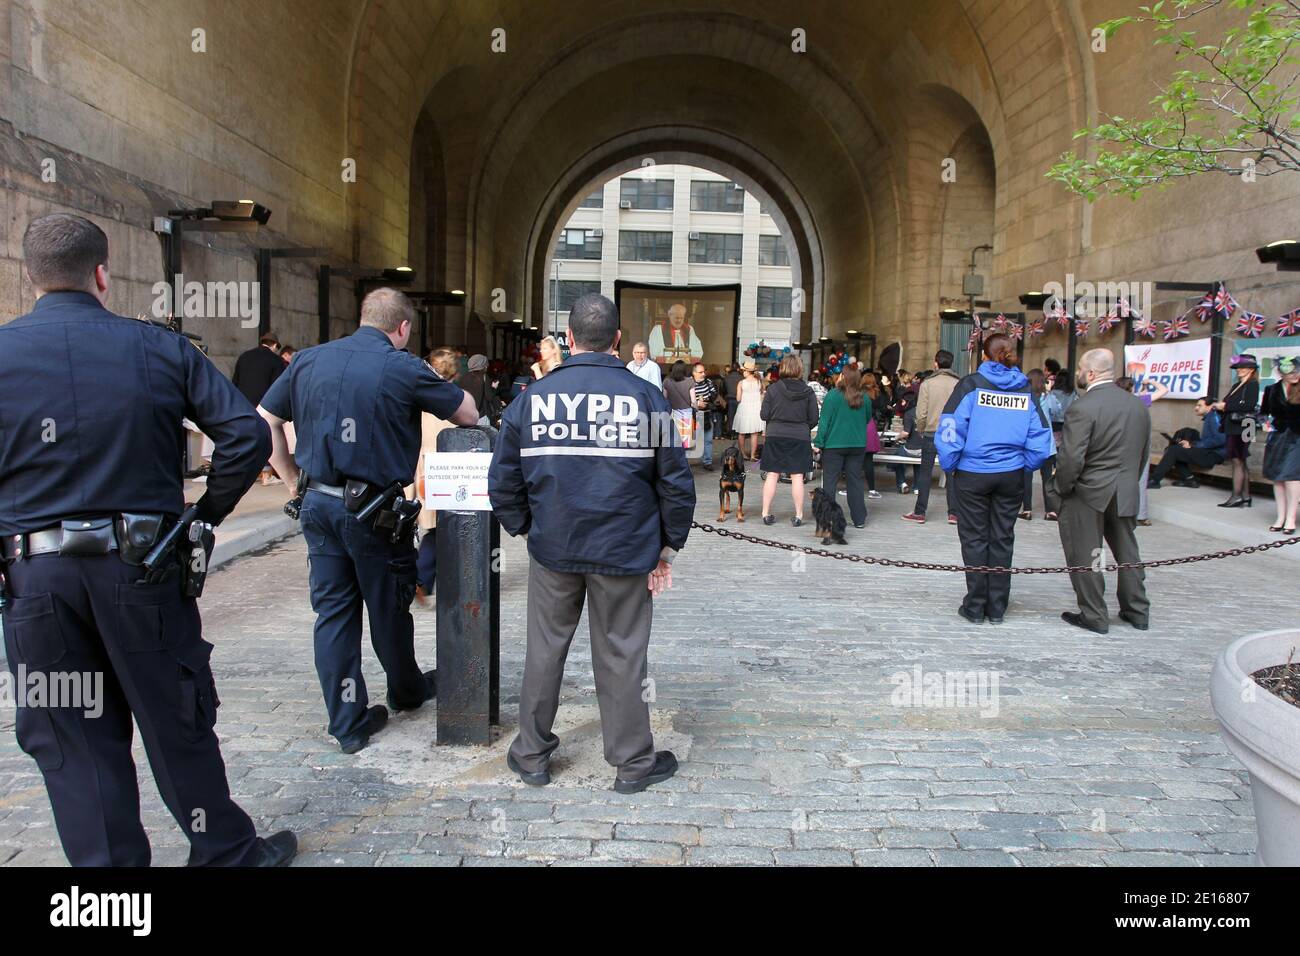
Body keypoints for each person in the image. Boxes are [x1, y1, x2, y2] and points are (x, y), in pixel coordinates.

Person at [0, 213, 295, 866]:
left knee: (73, 741)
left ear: (30, 277)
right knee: (174, 719)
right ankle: (223, 851)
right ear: (102, 275)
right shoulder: (159, 348)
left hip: (36, 581)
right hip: (142, 571)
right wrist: (205, 517)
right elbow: (245, 435)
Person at [258, 288, 478, 754]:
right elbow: (468, 412)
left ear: (362, 317)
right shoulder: (403, 366)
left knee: (334, 613)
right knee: (389, 607)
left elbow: (266, 420)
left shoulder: (308, 360)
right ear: (403, 328)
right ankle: (406, 690)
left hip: (317, 503)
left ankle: (348, 723)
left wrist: (292, 480)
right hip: (374, 512)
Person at [490, 293, 694, 793]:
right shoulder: (645, 398)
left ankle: (532, 755)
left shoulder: (531, 399)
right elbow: (675, 483)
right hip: (625, 549)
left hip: (555, 548)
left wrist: (527, 530)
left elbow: (503, 482)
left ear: (568, 339)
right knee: (623, 653)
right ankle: (631, 764)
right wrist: (666, 547)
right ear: (619, 341)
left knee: (545, 649)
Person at [935, 333, 1053, 625]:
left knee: (974, 539)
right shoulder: (1025, 389)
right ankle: (997, 608)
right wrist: (1025, 464)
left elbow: (950, 426)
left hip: (973, 473)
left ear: (984, 356)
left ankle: (975, 607)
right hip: (1011, 474)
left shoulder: (971, 385)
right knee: (1002, 538)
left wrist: (952, 465)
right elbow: (1041, 435)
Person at [1055, 349, 1152, 635]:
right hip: (1125, 488)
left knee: (1087, 553)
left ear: (1091, 374)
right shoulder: (1137, 406)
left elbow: (1072, 458)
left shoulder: (1082, 407)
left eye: (1081, 370)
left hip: (1089, 491)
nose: (1078, 375)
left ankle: (1094, 614)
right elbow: (1143, 453)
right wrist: (1129, 482)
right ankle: (1137, 610)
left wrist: (1061, 488)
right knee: (1127, 551)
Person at [411, 348, 461, 605]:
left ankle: (424, 577)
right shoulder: (454, 398)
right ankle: (421, 577)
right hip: (449, 467)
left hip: (421, 466)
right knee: (444, 528)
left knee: (432, 527)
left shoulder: (420, 397)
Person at [759, 354, 821, 526]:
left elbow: (764, 415)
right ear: (800, 369)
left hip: (775, 434)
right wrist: (802, 427)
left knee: (772, 474)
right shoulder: (808, 391)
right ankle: (799, 515)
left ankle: (765, 513)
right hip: (799, 436)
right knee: (797, 476)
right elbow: (814, 418)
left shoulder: (773, 389)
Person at [903, 350, 960, 525]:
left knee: (925, 472)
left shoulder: (928, 383)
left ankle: (920, 512)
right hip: (951, 433)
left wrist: (920, 428)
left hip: (930, 432)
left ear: (936, 363)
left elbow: (921, 413)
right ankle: (954, 513)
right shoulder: (958, 383)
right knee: (951, 473)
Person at [814, 366, 871, 529]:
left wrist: (818, 442)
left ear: (843, 377)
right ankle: (859, 518)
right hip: (857, 445)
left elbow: (824, 422)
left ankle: (828, 519)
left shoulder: (833, 396)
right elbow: (867, 419)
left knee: (830, 483)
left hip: (834, 445)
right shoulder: (864, 397)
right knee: (855, 481)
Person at [1116, 375, 1169, 526]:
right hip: (1138, 444)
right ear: (1131, 387)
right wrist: (1150, 382)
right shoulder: (1139, 400)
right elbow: (1164, 390)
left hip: (1119, 444)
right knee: (1140, 478)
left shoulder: (1117, 402)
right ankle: (1141, 514)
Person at [1147, 397, 1225, 487]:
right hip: (1209, 452)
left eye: (1199, 405)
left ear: (1209, 407)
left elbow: (1220, 439)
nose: (1196, 408)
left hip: (1215, 455)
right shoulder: (1209, 417)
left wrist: (1193, 444)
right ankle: (1190, 480)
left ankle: (1154, 480)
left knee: (1174, 451)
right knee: (1176, 448)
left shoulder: (1213, 417)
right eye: (1196, 405)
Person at [1215, 353, 1261, 508]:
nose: (1239, 370)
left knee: (1237, 460)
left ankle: (1237, 496)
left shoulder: (1252, 384)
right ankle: (1245, 496)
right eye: (1238, 367)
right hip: (1236, 425)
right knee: (1240, 460)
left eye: (1243, 367)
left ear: (1251, 369)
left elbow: (1249, 405)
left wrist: (1225, 406)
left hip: (1245, 425)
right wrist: (1221, 406)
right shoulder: (1237, 385)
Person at [1262, 356, 1300, 534]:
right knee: (1277, 477)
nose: (1295, 375)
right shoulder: (1271, 390)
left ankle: (1291, 519)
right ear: (1280, 372)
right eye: (1290, 372)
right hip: (1277, 436)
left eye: (1297, 371)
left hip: (1297, 437)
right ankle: (1280, 517)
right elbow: (1263, 413)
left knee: (1292, 476)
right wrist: (1264, 424)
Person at [1019, 368, 1062, 521]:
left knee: (1026, 477)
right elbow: (1058, 412)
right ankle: (1050, 510)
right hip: (1046, 444)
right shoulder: (1048, 397)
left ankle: (1027, 509)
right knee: (1047, 478)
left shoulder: (1024, 397)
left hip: (1028, 443)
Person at [232, 331, 286, 407]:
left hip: (241, 404)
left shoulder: (244, 356)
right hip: (262, 407)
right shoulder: (276, 360)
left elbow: (235, 382)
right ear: (275, 345)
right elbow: (278, 388)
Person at [861, 370, 887, 499]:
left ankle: (851, 488)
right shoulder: (878, 394)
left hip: (860, 426)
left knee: (854, 460)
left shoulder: (859, 394)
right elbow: (884, 410)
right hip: (871, 426)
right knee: (868, 461)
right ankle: (872, 489)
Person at [733, 359, 765, 461]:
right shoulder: (760, 382)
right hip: (756, 409)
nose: (743, 372)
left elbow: (738, 399)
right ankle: (752, 455)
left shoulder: (741, 383)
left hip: (744, 408)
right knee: (754, 433)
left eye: (744, 371)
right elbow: (762, 398)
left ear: (747, 371)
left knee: (741, 433)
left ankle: (742, 454)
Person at [457, 353, 501, 426]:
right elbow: (489, 396)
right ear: (484, 366)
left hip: (465, 415)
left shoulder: (463, 377)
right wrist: (494, 387)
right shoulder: (484, 377)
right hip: (480, 415)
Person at [690, 361, 719, 471]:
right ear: (694, 373)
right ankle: (685, 461)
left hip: (707, 414)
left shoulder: (709, 382)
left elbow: (714, 393)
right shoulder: (689, 383)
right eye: (700, 372)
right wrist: (697, 403)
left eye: (704, 371)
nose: (703, 374)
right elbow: (686, 398)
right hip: (693, 415)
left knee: (708, 440)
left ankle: (707, 461)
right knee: (690, 440)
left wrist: (707, 399)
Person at [663, 360, 696, 452]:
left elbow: (664, 399)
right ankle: (684, 461)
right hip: (686, 414)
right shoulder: (690, 381)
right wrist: (696, 409)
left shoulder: (667, 381)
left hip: (672, 413)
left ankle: (674, 461)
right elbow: (693, 401)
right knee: (685, 441)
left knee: (673, 438)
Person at [723, 363, 743, 437]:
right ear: (738, 369)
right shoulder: (742, 378)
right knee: (739, 416)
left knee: (730, 417)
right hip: (740, 400)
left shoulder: (726, 377)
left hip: (729, 399)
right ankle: (738, 433)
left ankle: (731, 433)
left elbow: (723, 389)